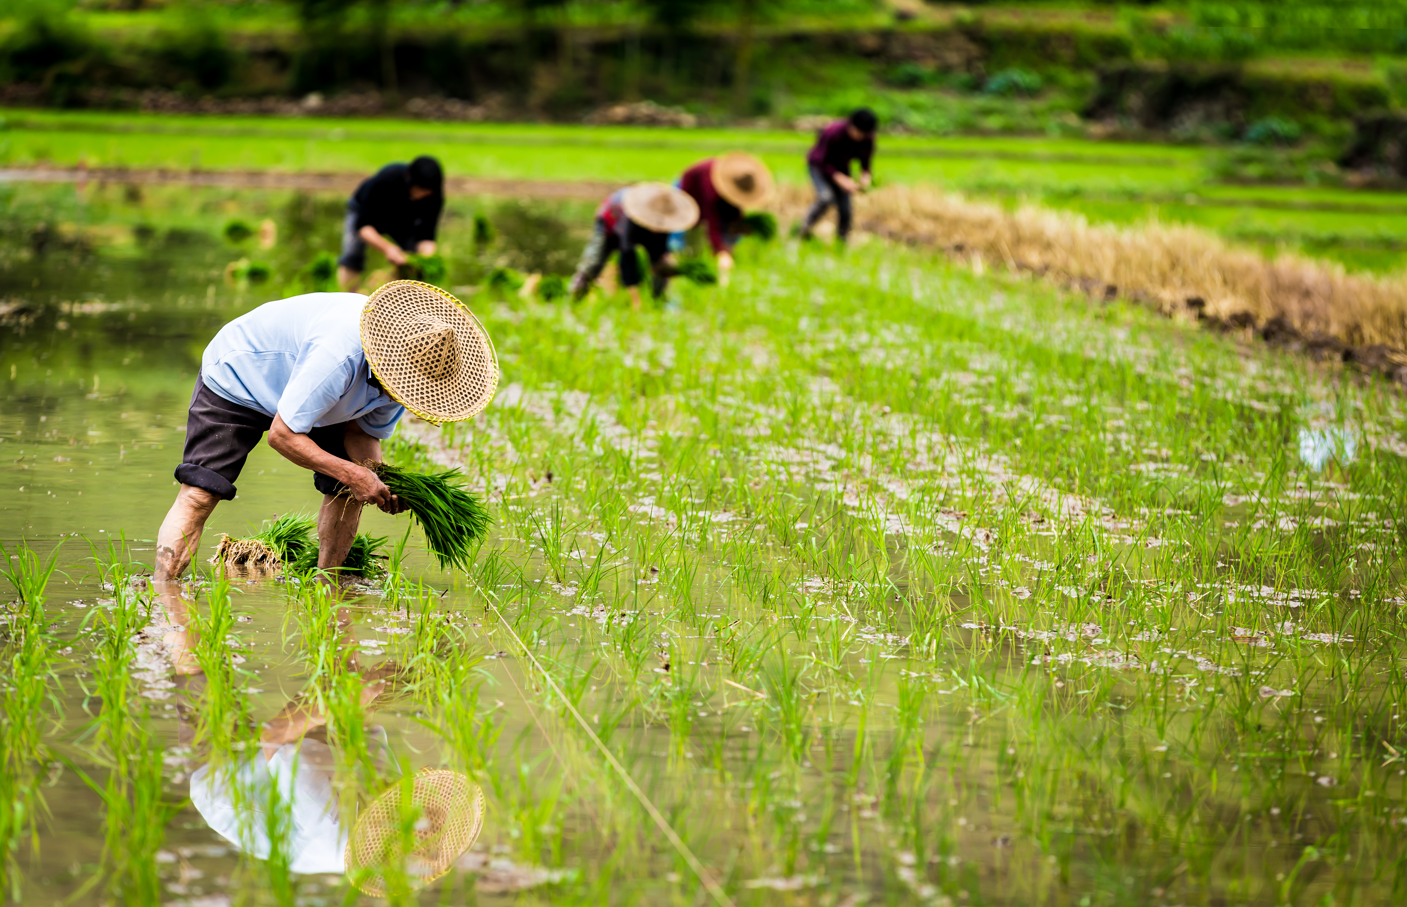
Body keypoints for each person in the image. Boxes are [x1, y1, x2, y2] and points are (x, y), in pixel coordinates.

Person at [152, 281, 499, 586]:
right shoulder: (339, 354)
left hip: (321, 394)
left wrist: (379, 481)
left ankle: (328, 587)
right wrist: (353, 474)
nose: (405, 394)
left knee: (347, 491)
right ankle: (164, 594)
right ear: (387, 360)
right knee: (201, 493)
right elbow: (283, 435)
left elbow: (362, 435)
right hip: (242, 373)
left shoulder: (406, 382)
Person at [569, 182, 699, 309]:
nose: (659, 228)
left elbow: (661, 251)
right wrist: (635, 300)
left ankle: (659, 301)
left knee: (661, 264)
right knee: (594, 263)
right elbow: (627, 257)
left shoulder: (664, 222)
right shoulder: (631, 217)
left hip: (640, 229)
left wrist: (670, 266)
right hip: (609, 223)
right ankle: (573, 300)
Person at [338, 157, 445, 291]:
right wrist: (388, 248)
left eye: (426, 193)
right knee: (352, 256)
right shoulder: (387, 179)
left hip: (402, 218)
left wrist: (423, 259)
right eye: (418, 190)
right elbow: (363, 227)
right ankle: (350, 297)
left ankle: (396, 298)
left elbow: (427, 235)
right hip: (366, 213)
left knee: (411, 264)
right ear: (409, 181)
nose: (420, 196)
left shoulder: (435, 196)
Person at [673, 152, 775, 287]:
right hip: (687, 190)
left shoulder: (734, 184)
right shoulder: (710, 189)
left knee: (729, 232)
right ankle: (682, 268)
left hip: (712, 197)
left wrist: (737, 229)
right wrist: (721, 251)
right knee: (685, 239)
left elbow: (734, 211)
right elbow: (711, 222)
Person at [800, 108, 878, 244]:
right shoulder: (832, 132)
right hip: (819, 166)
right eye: (858, 132)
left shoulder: (868, 138)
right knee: (825, 198)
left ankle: (842, 242)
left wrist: (865, 175)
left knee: (845, 208)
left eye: (864, 134)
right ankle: (802, 231)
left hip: (841, 168)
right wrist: (839, 177)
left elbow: (866, 160)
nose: (860, 137)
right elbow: (820, 160)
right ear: (851, 125)